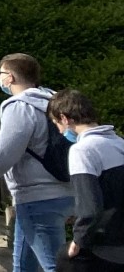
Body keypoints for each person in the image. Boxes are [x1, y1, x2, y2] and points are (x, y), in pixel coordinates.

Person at [0, 53, 75, 272]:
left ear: (11, 78)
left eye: (1, 73)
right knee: (23, 266)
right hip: (64, 192)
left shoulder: (19, 107)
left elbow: (3, 157)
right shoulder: (54, 102)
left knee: (54, 267)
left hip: (37, 199)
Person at [48, 90, 124, 272]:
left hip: (106, 244)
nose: (59, 131)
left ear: (65, 119)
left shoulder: (82, 150)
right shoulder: (119, 143)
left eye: (56, 124)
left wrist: (78, 240)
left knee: (65, 259)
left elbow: (89, 208)